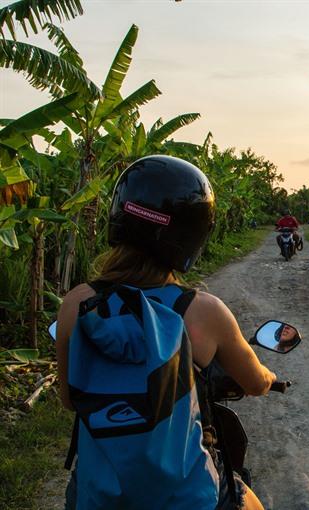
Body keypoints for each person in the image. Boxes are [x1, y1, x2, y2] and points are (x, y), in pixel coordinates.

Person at [55, 155, 275, 510]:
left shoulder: (77, 305)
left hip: (96, 497)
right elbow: (254, 382)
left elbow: (68, 400)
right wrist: (268, 376)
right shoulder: (204, 311)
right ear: (192, 236)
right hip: (188, 498)